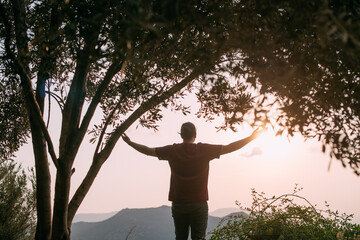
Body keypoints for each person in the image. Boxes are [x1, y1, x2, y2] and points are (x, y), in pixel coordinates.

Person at [122, 122, 262, 240]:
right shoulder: (204, 150)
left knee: (180, 238)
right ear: (195, 135)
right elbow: (229, 147)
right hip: (199, 204)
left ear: (181, 135)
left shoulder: (172, 150)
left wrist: (130, 143)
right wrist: (251, 138)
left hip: (179, 204)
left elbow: (148, 150)